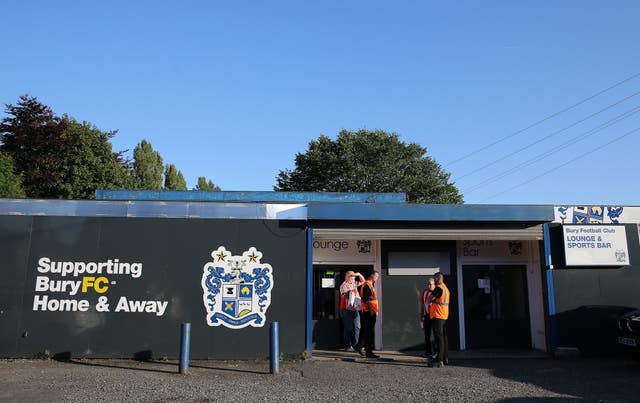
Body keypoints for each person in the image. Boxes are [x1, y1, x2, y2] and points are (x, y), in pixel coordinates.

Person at [339, 271, 365, 353]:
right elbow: (344, 296)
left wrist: (359, 274)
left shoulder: (354, 283)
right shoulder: (344, 285)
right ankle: (347, 346)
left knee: (357, 327)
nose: (353, 278)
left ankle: (356, 345)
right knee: (348, 328)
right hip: (346, 309)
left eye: (354, 276)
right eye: (352, 276)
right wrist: (351, 293)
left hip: (355, 309)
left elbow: (363, 282)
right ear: (347, 277)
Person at [429, 272, 450, 368]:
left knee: (439, 338)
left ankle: (439, 360)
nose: (434, 281)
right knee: (444, 338)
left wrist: (431, 299)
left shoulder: (438, 288)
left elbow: (430, 298)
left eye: (435, 279)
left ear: (438, 278)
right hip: (444, 315)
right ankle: (445, 358)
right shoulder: (446, 288)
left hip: (438, 315)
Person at [359, 271, 380, 358]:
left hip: (371, 311)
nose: (377, 278)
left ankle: (367, 350)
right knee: (369, 332)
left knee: (369, 331)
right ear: (372, 276)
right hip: (369, 312)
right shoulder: (367, 284)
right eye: (376, 276)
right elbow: (365, 298)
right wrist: (371, 310)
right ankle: (368, 352)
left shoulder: (370, 284)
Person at [421, 277, 436, 358]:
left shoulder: (436, 292)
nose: (429, 286)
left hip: (434, 316)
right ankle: (428, 352)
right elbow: (423, 304)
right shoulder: (425, 292)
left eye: (431, 284)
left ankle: (436, 352)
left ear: (434, 285)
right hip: (427, 315)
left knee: (436, 334)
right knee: (427, 335)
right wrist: (422, 316)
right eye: (428, 284)